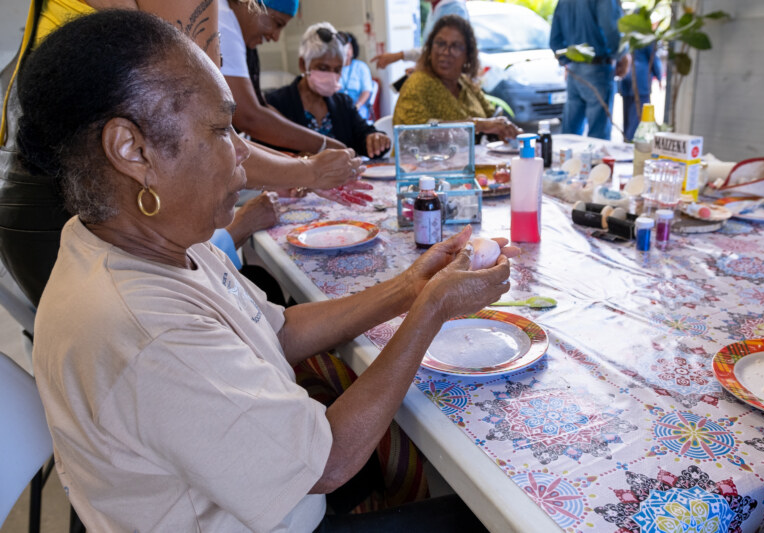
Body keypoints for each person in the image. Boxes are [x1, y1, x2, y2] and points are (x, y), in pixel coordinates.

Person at [24, 11, 517, 531]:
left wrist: (410, 287)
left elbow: (276, 330)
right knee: (493, 515)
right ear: (132, 150)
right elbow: (326, 463)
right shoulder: (143, 329)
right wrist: (433, 310)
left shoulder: (145, 242)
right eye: (220, 130)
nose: (243, 155)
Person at [0, 0, 362, 306]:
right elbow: (201, 130)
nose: (237, 155)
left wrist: (297, 167)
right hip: (63, 205)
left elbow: (212, 135)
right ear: (130, 150)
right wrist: (308, 171)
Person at [218, 0, 349, 153]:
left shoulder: (343, 103)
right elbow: (249, 117)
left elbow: (260, 108)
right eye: (278, 23)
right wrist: (325, 146)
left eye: (337, 69)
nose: (276, 37)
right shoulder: (224, 23)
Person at [266, 23, 392, 159]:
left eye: (337, 70)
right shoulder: (276, 103)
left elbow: (364, 135)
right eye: (323, 68)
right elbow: (264, 153)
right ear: (303, 64)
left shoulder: (343, 103)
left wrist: (375, 140)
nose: (331, 76)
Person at [393, 15, 521, 141]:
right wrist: (478, 125)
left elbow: (491, 116)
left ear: (468, 54)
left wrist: (505, 129)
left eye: (455, 46)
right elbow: (413, 133)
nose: (445, 52)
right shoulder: (418, 83)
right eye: (440, 43)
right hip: (423, 161)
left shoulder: (465, 83)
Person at [549, 0, 631, 140]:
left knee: (570, 133)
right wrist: (622, 54)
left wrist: (567, 61)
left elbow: (554, 40)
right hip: (597, 69)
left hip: (574, 70)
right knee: (598, 136)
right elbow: (611, 29)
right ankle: (595, 163)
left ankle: (567, 162)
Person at [371, 0, 469, 70]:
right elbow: (430, 49)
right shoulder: (435, 9)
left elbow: (443, 52)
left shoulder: (455, 9)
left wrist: (399, 56)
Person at [619, 43, 663, 141]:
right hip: (640, 79)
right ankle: (630, 146)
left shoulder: (628, 31)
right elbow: (653, 59)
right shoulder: (646, 36)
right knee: (637, 119)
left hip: (626, 74)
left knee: (627, 117)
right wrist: (659, 77)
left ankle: (626, 142)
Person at [339, 32, 374, 121]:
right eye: (343, 48)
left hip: (358, 107)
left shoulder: (361, 67)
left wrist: (357, 106)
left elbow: (366, 91)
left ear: (353, 50)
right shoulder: (333, 68)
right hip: (338, 106)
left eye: (348, 48)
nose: (346, 51)